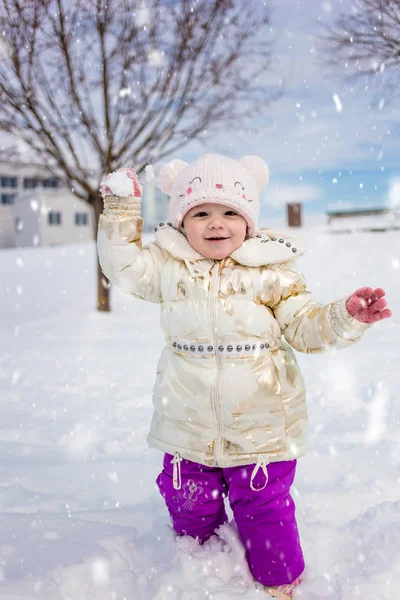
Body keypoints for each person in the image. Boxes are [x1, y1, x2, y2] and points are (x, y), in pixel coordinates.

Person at [97, 154, 391, 598]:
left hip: (262, 430)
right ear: (182, 222)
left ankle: (279, 585)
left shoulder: (271, 274)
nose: (216, 223)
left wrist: (345, 318)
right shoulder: (169, 268)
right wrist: (121, 212)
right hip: (187, 428)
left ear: (249, 220)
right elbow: (122, 268)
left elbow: (305, 327)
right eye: (201, 212)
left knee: (265, 511)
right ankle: (201, 579)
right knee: (190, 507)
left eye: (230, 211)